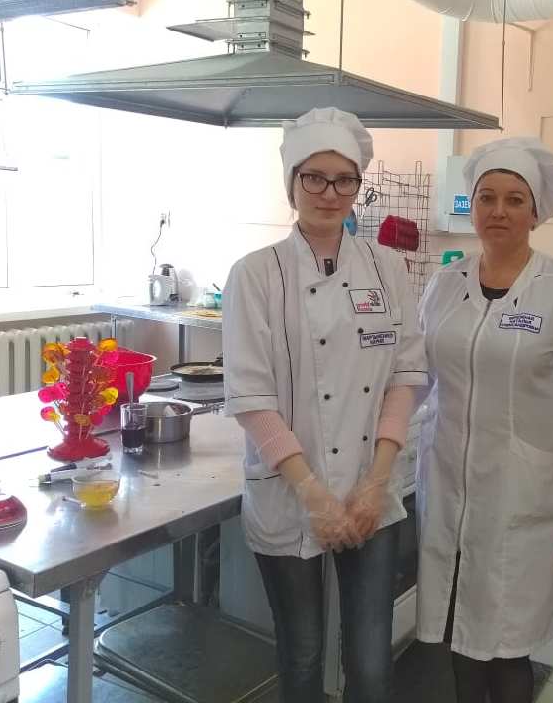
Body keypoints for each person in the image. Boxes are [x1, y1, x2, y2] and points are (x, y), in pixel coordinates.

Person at [222, 107, 427, 703]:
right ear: (292, 183)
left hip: (371, 491)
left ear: (358, 185)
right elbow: (252, 397)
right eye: (314, 177)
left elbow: (405, 376)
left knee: (371, 659)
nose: (330, 193)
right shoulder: (255, 274)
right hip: (290, 495)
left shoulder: (387, 269)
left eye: (344, 180)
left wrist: (375, 483)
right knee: (302, 655)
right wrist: (314, 496)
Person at [417, 137, 553, 703]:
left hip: (524, 503)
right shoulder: (444, 285)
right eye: (487, 197)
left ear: (536, 211)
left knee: (508, 648)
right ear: (473, 206)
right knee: (459, 636)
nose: (499, 211)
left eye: (514, 199)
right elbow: (417, 379)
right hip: (448, 493)